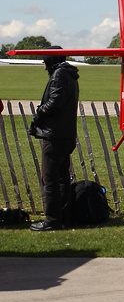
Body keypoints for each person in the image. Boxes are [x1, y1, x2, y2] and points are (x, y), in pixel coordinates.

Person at [28, 50, 79, 230]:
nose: (44, 65)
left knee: (49, 178)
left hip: (54, 134)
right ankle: (65, 216)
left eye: (44, 61)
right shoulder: (70, 75)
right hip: (66, 134)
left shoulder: (58, 75)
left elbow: (54, 102)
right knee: (62, 177)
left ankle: (52, 220)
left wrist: (40, 111)